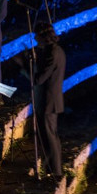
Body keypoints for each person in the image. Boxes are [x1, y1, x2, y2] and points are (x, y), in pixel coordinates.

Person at [31, 22, 65, 178]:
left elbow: (39, 78)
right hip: (51, 101)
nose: (35, 38)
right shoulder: (56, 51)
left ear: (43, 36)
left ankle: (55, 173)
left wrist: (26, 68)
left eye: (37, 35)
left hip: (48, 102)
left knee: (49, 139)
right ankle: (52, 170)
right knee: (51, 137)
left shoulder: (52, 54)